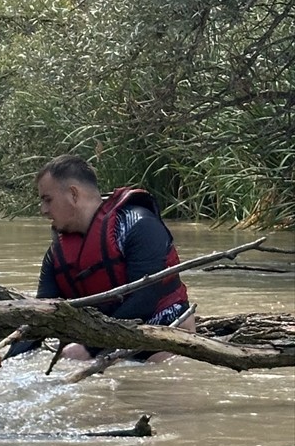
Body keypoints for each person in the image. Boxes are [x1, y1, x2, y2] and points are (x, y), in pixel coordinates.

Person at [27, 154, 194, 361]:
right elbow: (43, 315)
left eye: (47, 200)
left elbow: (145, 300)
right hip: (101, 343)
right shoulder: (55, 256)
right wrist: (3, 358)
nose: (43, 210)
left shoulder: (139, 225)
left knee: (158, 365)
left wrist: (90, 348)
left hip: (161, 335)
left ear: (73, 194)